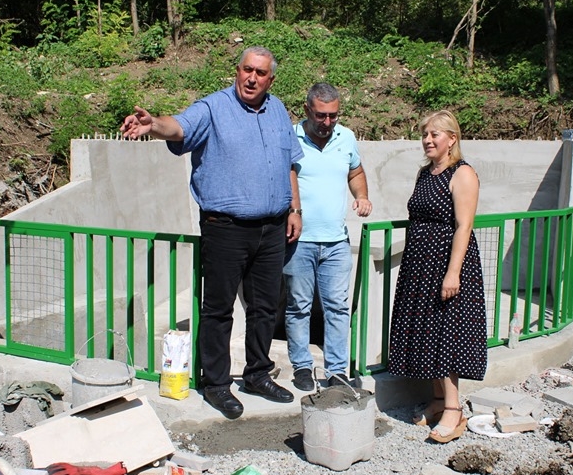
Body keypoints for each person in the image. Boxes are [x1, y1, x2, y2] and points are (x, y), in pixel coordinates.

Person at [120, 46, 303, 419]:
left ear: (271, 79)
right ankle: (217, 383)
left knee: (265, 307)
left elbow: (289, 163)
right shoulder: (213, 108)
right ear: (237, 70)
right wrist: (153, 125)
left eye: (260, 73)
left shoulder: (278, 110)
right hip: (226, 228)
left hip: (272, 227)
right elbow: (179, 126)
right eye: (247, 69)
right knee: (219, 309)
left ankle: (257, 374)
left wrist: (295, 209)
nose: (251, 78)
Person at [387, 110, 488, 444]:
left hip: (447, 263)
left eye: (434, 135)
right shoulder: (425, 173)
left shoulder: (463, 173)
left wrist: (453, 273)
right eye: (424, 134)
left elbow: (464, 226)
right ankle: (437, 400)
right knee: (427, 330)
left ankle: (454, 408)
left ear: (452, 139)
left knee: (447, 334)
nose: (427, 140)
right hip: (420, 264)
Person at [284, 83, 372, 391]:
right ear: (307, 110)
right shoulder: (290, 137)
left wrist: (362, 196)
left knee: (337, 307)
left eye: (333, 115)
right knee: (299, 306)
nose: (327, 122)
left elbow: (355, 172)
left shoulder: (345, 137)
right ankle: (302, 366)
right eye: (321, 115)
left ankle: (336, 371)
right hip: (299, 241)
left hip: (336, 242)